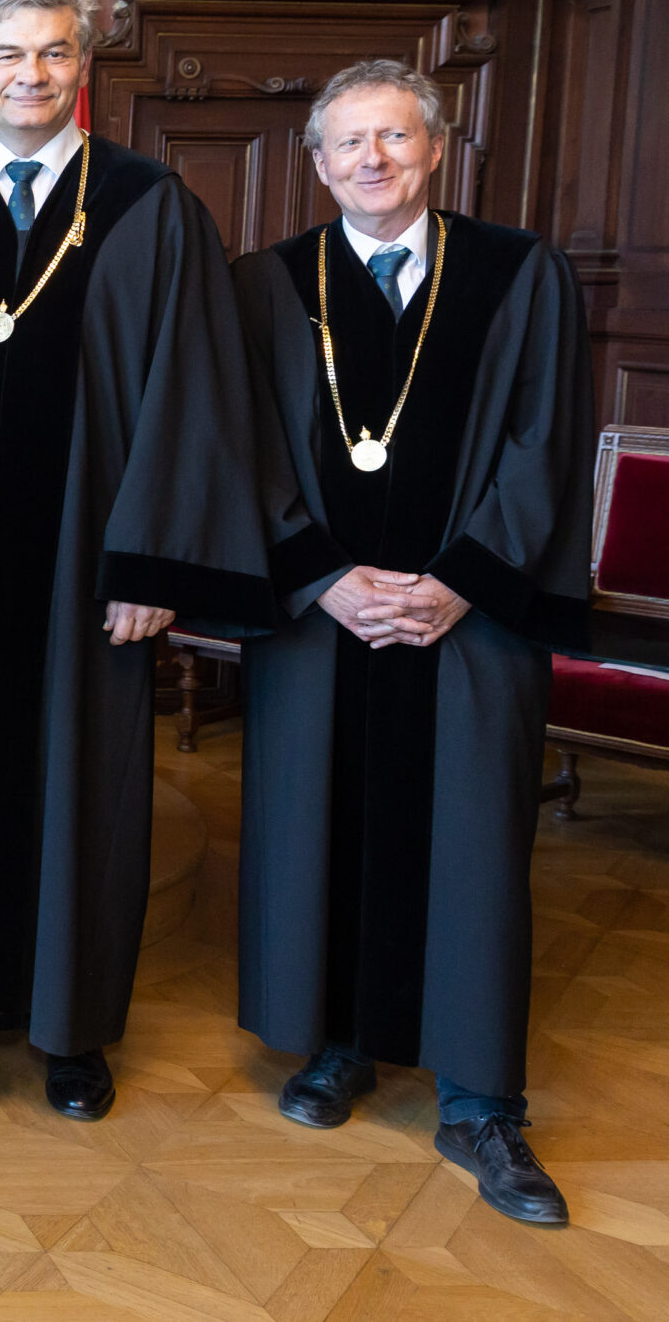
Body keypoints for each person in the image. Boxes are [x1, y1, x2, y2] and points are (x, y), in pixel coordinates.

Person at [0, 0, 278, 1121]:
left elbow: (191, 396)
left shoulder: (151, 208)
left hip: (82, 570)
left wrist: (149, 565)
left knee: (80, 781)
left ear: (82, 71)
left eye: (52, 55)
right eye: (9, 56)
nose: (30, 75)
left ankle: (72, 1029)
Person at [233, 61, 592, 1226]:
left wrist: (457, 584)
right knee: (320, 827)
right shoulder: (272, 286)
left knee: (474, 846)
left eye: (393, 139)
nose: (370, 161)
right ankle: (340, 1042)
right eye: (346, 143)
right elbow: (244, 456)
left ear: (436, 150)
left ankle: (483, 1099)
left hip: (469, 620)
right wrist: (324, 580)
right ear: (318, 161)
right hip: (323, 623)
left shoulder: (513, 275)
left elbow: (546, 443)